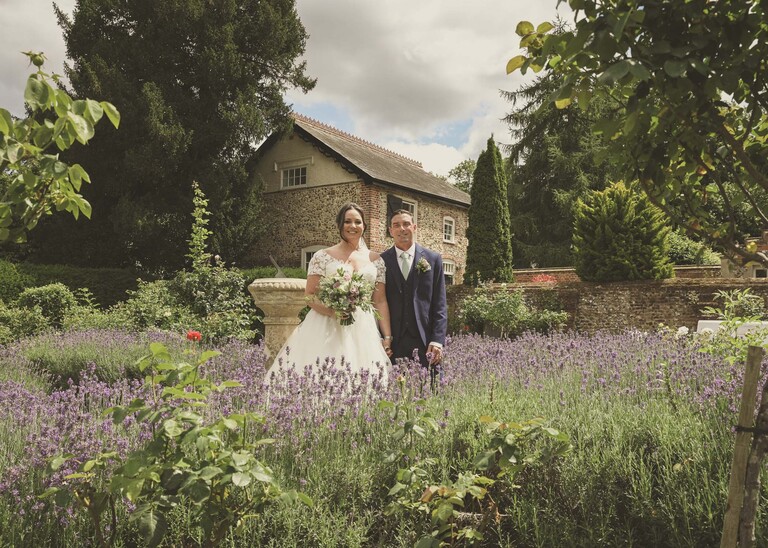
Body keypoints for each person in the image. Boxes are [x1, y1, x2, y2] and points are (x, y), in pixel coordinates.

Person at [267, 203, 392, 382]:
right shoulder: (322, 256)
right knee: (322, 374)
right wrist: (334, 312)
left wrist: (387, 336)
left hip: (364, 326)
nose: (353, 226)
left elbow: (380, 301)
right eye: (347, 221)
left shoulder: (376, 260)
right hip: (326, 323)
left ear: (364, 226)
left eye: (358, 222)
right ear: (340, 225)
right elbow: (309, 295)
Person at [381, 209, 447, 381]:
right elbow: (378, 302)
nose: (402, 229)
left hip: (425, 341)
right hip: (394, 342)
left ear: (414, 227)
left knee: (431, 394)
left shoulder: (433, 259)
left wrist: (437, 340)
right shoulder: (381, 261)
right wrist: (382, 338)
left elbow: (440, 304)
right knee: (394, 396)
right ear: (390, 231)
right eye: (396, 225)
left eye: (406, 224)